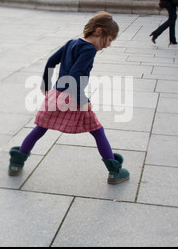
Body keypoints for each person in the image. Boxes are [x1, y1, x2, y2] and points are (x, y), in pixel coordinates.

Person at [8, 12, 130, 185]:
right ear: (98, 31)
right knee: (97, 131)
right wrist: (83, 100)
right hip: (73, 98)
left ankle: (16, 163)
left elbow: (51, 61)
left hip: (57, 94)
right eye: (109, 39)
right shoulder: (89, 49)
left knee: (40, 129)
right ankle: (114, 171)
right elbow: (75, 74)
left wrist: (45, 84)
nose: (108, 45)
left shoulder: (71, 43)